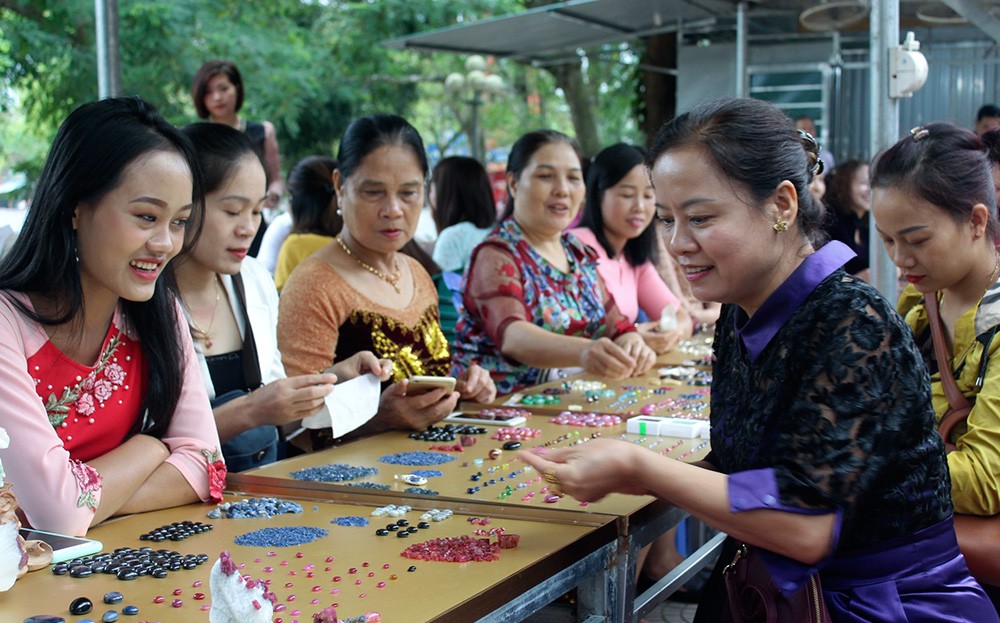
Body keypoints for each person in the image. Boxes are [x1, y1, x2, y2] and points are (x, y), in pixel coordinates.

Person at [520, 97, 997, 622]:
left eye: (700, 218)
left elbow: (804, 525)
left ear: (782, 205)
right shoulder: (740, 309)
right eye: (667, 220)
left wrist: (641, 466)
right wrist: (622, 470)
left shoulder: (852, 320)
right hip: (772, 586)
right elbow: (739, 470)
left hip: (869, 602)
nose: (677, 243)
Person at [0, 97, 224, 536]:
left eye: (179, 222)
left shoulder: (158, 311)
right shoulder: (7, 323)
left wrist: (83, 504)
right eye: (146, 217)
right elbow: (58, 515)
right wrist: (151, 447)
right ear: (75, 207)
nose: (165, 244)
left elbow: (207, 466)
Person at [174, 124, 387, 471]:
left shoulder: (254, 280)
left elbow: (277, 419)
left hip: (261, 487)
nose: (248, 228)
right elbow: (151, 439)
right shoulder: (142, 300)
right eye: (233, 211)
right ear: (183, 206)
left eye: (257, 211)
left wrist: (333, 381)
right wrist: (251, 410)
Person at [277, 114, 496, 449]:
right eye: (373, 192)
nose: (393, 209)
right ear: (340, 186)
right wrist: (378, 421)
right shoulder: (315, 284)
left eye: (408, 193)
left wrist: (464, 388)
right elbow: (291, 426)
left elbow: (427, 379)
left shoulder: (416, 272)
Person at [872, 123, 1000, 608]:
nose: (901, 259)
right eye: (887, 240)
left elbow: (986, 480)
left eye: (917, 239)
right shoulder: (922, 298)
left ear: (976, 221)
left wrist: (866, 461)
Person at [452, 130, 656, 395]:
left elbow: (615, 323)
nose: (563, 190)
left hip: (569, 402)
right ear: (513, 183)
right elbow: (513, 336)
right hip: (502, 407)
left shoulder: (577, 252)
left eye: (573, 178)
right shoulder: (496, 254)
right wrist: (585, 352)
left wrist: (632, 341)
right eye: (546, 176)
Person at [570, 143, 691, 353]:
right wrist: (633, 335)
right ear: (598, 195)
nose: (640, 207)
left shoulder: (633, 257)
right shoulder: (577, 245)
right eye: (627, 195)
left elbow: (680, 317)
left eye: (648, 196)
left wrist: (669, 334)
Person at [192, 59, 282, 256]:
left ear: (237, 88)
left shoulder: (262, 132)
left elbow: (275, 180)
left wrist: (271, 197)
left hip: (253, 225)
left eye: (223, 88)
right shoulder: (195, 138)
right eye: (208, 92)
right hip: (209, 228)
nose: (217, 97)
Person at [273, 156, 344, 292]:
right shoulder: (357, 246)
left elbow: (283, 300)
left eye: (290, 198)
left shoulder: (295, 246)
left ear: (298, 202)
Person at [429, 156, 497, 272]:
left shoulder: (452, 238)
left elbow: (443, 283)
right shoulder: (499, 230)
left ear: (444, 193)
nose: (430, 196)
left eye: (431, 189)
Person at [823, 160, 871, 279]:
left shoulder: (868, 224)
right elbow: (823, 279)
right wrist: (858, 279)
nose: (871, 190)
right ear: (845, 184)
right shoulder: (830, 220)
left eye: (874, 184)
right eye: (864, 183)